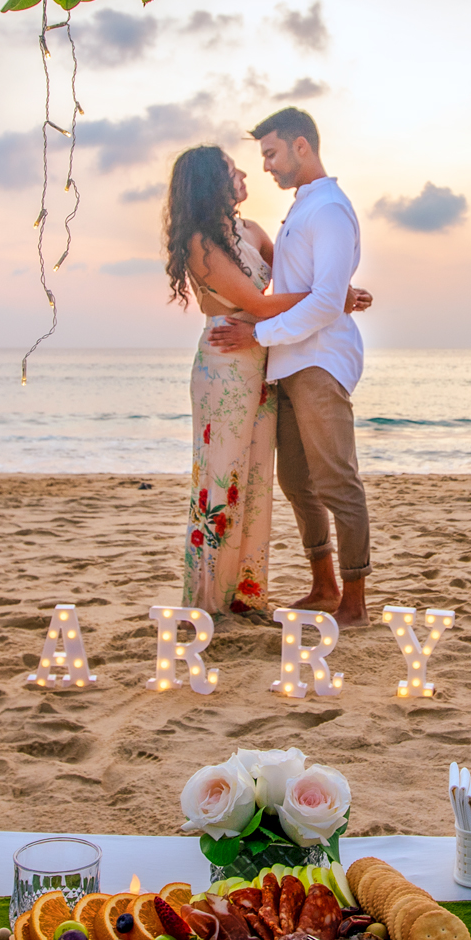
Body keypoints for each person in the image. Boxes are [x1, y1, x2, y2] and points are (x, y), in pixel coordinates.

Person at [164, 143, 371, 616]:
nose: (246, 176)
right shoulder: (201, 243)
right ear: (210, 184)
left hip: (262, 361)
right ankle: (210, 598)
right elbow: (260, 305)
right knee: (221, 477)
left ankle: (246, 594)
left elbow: (295, 280)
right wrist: (331, 297)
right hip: (225, 363)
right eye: (233, 172)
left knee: (255, 480)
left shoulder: (252, 231)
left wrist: (335, 290)